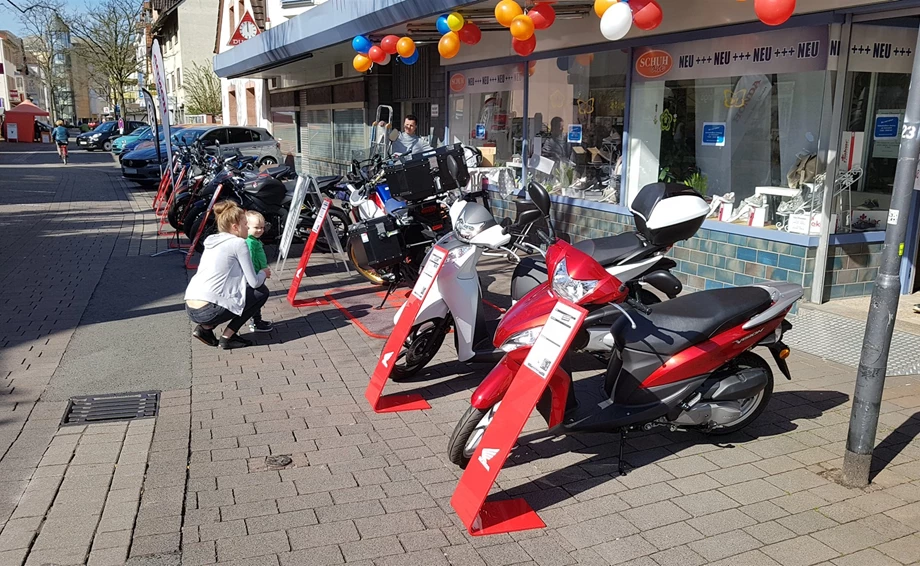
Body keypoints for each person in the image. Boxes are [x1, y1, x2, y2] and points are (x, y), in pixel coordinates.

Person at [184, 201, 271, 349]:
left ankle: (205, 329)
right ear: (235, 227)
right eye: (245, 224)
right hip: (208, 310)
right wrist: (263, 273)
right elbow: (255, 282)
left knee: (240, 294)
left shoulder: (213, 240)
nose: (247, 228)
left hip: (190, 306)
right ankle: (227, 337)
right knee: (261, 292)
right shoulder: (238, 244)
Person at [244, 210, 273, 333]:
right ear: (246, 227)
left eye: (262, 227)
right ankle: (256, 322)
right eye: (256, 227)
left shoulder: (254, 240)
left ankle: (257, 320)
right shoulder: (250, 242)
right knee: (257, 298)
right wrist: (259, 272)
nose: (260, 230)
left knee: (257, 298)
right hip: (255, 275)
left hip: (259, 273)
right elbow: (249, 259)